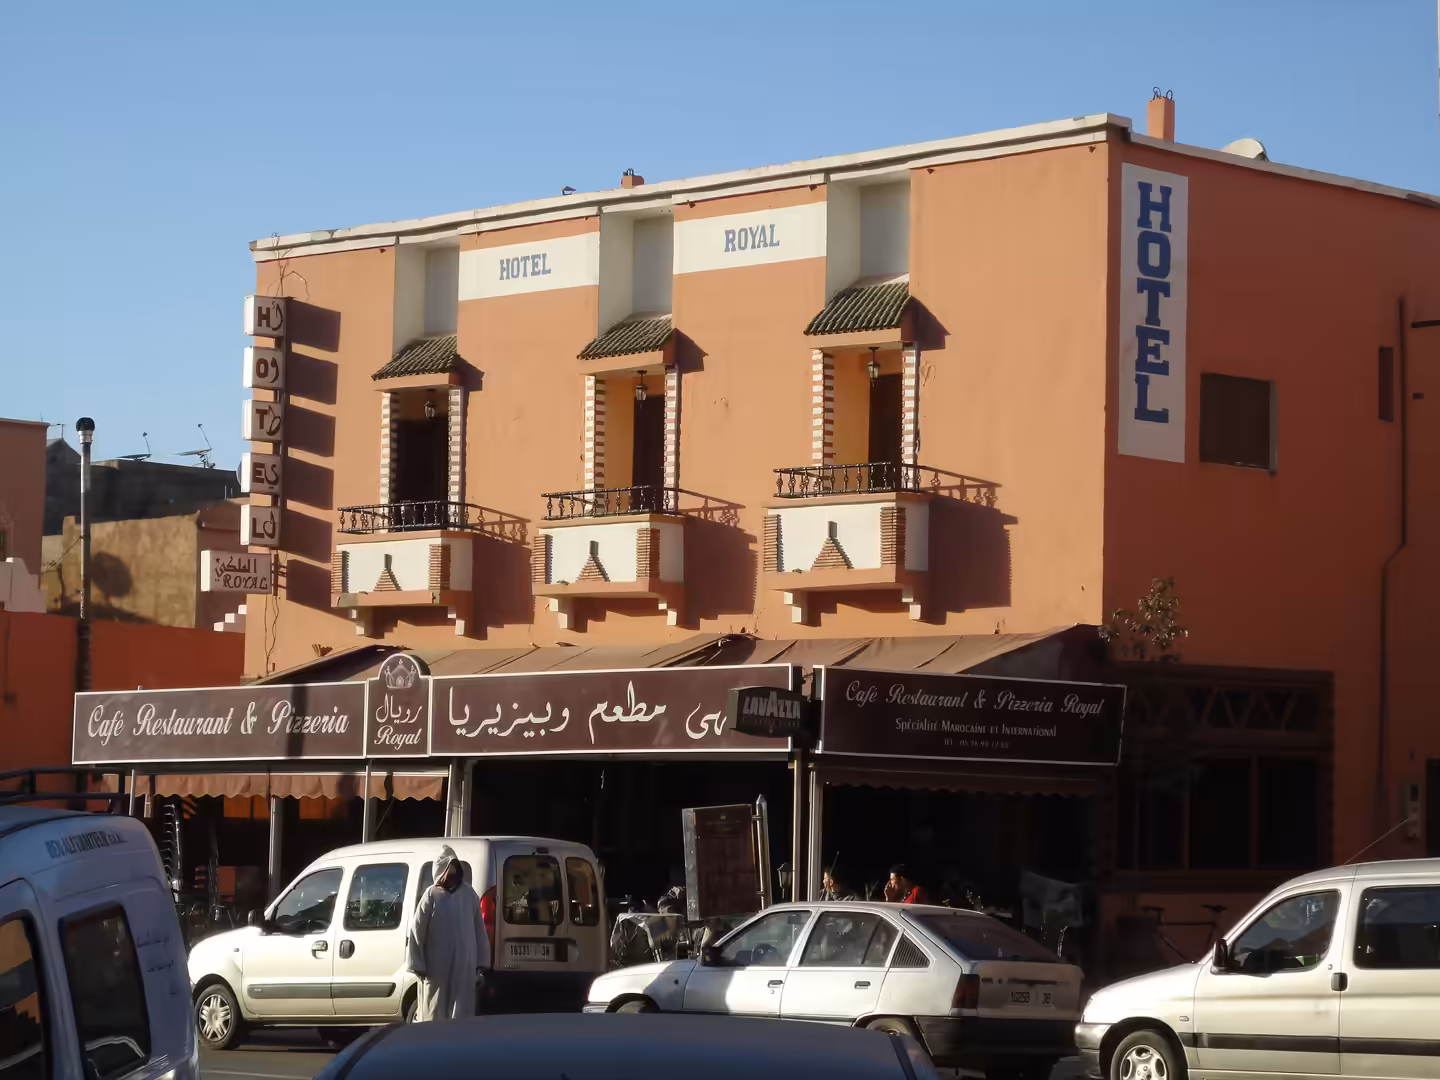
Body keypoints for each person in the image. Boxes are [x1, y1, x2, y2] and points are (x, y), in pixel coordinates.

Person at [408, 845, 489, 1021]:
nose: (450, 876)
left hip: (464, 966)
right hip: (436, 968)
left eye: (453, 871)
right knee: (435, 1011)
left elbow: (479, 932)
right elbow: (417, 931)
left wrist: (481, 964)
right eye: (446, 871)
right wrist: (418, 964)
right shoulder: (431, 896)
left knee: (461, 1011)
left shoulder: (469, 895)